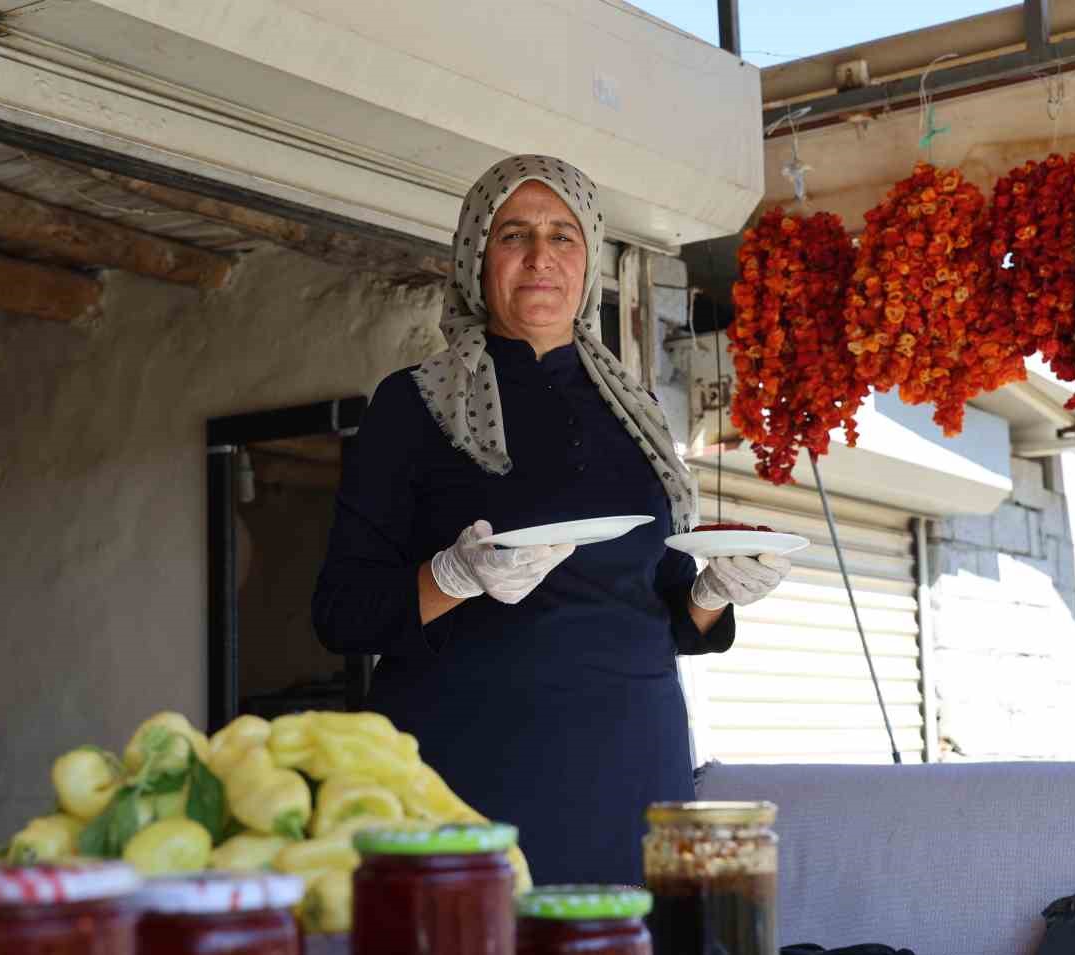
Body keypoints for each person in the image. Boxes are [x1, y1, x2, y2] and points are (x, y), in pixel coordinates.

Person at [312, 154, 790, 885]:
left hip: (634, 771)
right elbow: (342, 615)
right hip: (470, 777)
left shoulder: (638, 414)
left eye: (563, 236)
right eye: (514, 235)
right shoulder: (414, 405)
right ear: (476, 255)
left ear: (590, 258)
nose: (541, 257)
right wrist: (455, 576)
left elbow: (660, 610)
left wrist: (712, 595)